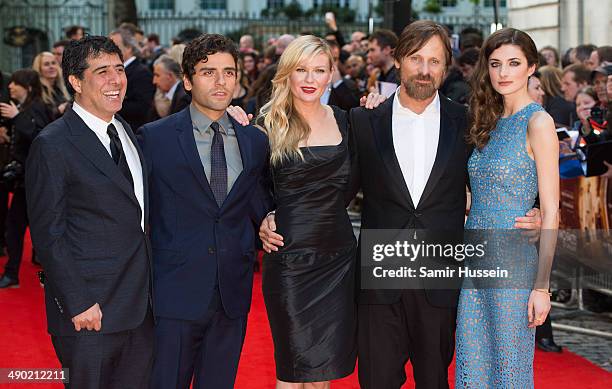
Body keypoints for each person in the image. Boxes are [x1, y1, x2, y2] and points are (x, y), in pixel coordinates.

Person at [255, 21, 542, 389]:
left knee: (434, 380)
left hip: (439, 279)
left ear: (447, 66)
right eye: (416, 58)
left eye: (435, 61)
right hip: (379, 280)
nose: (424, 69)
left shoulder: (467, 120)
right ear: (398, 60)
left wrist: (530, 212)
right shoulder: (363, 120)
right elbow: (328, 187)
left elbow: (493, 178)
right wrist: (272, 214)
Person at [140, 34, 272, 389]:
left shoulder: (255, 140)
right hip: (173, 294)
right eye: (207, 72)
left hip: (232, 294)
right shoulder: (154, 138)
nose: (220, 81)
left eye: (228, 72)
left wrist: (269, 220)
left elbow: (259, 200)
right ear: (187, 79)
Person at [24, 36, 153, 387]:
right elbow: (48, 234)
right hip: (91, 313)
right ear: (76, 82)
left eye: (118, 69)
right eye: (102, 72)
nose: (116, 79)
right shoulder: (53, 144)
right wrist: (79, 302)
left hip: (140, 306)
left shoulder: (125, 131)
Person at [456, 28, 558, 387]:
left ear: (531, 67)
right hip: (474, 257)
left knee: (509, 369)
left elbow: (552, 210)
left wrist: (542, 287)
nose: (503, 73)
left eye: (514, 63)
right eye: (496, 64)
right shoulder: (487, 119)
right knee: (472, 365)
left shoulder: (539, 123)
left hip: (514, 261)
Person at [0, 70, 53, 288]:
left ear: (28, 87)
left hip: (36, 182)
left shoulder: (37, 107)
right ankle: (12, 273)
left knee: (39, 231)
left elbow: (41, 138)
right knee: (16, 227)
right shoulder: (23, 108)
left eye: (16, 83)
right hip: (26, 181)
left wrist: (17, 118)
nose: (10, 86)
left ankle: (17, 274)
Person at [109, 28, 155, 132]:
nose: (109, 50)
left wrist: (110, 102)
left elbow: (142, 107)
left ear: (128, 48)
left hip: (133, 132)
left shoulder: (141, 72)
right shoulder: (116, 70)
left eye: (114, 46)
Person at [32, 52, 71, 118]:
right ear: (39, 69)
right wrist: (58, 110)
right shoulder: (37, 90)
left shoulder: (62, 87)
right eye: (46, 64)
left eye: (53, 63)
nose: (51, 67)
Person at [151, 54, 190, 119]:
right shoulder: (170, 94)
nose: (154, 81)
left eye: (157, 75)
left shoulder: (184, 98)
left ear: (170, 76)